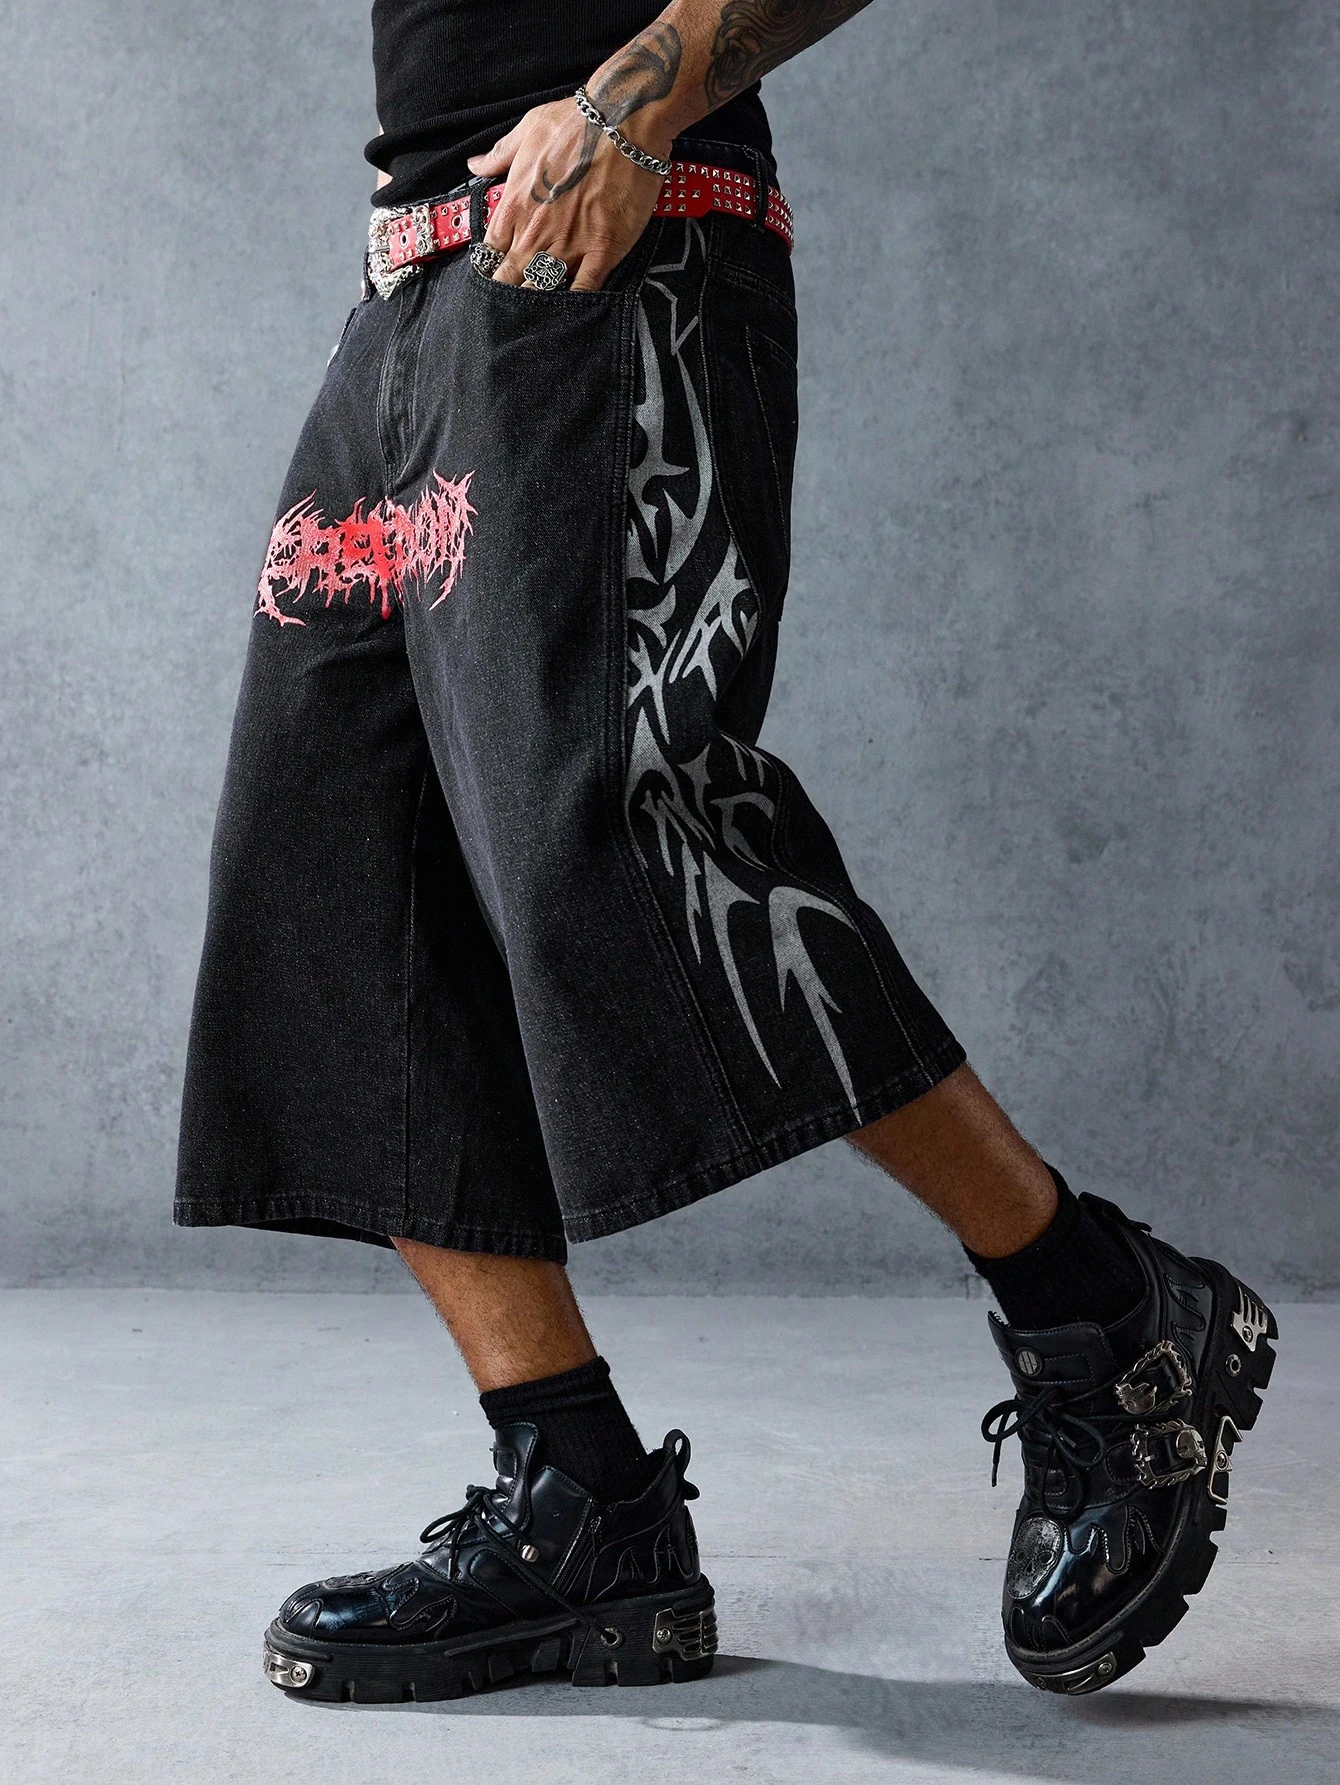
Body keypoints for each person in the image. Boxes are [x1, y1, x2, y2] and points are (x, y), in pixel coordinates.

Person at [175, 0, 1278, 1704]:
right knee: (337, 880)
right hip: (421, 286)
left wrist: (636, 107)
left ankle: (1103, 1306)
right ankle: (580, 1504)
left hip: (618, 238)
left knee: (631, 836)